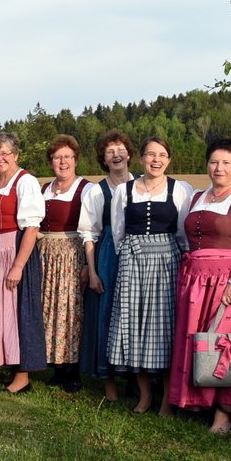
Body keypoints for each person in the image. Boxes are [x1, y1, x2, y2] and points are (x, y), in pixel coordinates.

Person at [165, 140, 231, 433]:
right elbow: (184, 237)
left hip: (228, 279)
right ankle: (197, 400)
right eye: (213, 162)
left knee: (226, 341)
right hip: (195, 279)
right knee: (196, 338)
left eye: (225, 163)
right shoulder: (198, 197)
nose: (219, 168)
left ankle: (225, 412)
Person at [107, 137, 194, 413]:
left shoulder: (180, 190)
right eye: (150, 154)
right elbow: (118, 232)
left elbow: (183, 233)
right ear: (141, 158)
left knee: (164, 329)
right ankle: (145, 395)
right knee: (134, 326)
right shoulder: (125, 190)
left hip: (167, 262)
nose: (156, 160)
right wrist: (132, 255)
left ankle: (167, 398)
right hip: (133, 262)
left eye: (162, 155)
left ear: (168, 160)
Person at [0, 132, 46, 394]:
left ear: (16, 155)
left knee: (18, 312)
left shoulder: (25, 182)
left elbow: (32, 227)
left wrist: (18, 265)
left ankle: (22, 375)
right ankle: (0, 361)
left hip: (13, 249)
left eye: (5, 152)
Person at [80, 130, 135, 401]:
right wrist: (92, 270)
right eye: (110, 151)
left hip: (136, 258)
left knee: (133, 315)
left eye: (120, 149)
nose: (116, 154)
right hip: (107, 257)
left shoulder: (142, 185)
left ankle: (137, 379)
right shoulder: (96, 191)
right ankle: (109, 383)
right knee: (106, 315)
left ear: (129, 154)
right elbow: (89, 233)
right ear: (103, 158)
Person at [38, 135, 93, 392]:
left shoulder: (86, 189)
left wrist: (87, 265)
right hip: (45, 253)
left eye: (68, 157)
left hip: (71, 254)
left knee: (70, 310)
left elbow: (92, 231)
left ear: (75, 160)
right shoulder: (44, 188)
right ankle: (56, 367)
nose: (63, 162)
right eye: (58, 157)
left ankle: (72, 370)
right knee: (49, 309)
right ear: (51, 162)